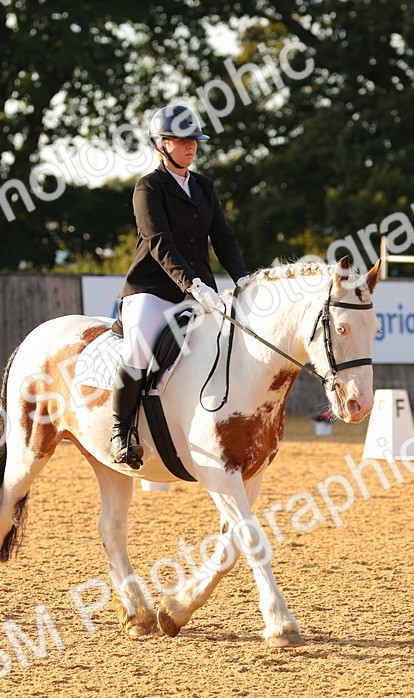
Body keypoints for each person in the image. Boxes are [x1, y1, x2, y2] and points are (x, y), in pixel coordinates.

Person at [110, 104, 251, 469]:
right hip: (152, 290)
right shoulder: (148, 187)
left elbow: (223, 238)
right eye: (183, 141)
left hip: (199, 289)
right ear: (162, 144)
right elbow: (159, 242)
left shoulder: (204, 186)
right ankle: (120, 432)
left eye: (195, 141)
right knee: (139, 352)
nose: (192, 147)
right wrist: (193, 284)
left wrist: (243, 278)